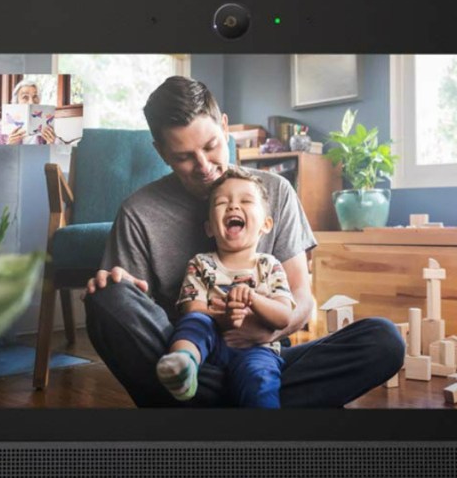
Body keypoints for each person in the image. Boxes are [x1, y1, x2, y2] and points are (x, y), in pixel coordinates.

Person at [83, 76, 404, 407]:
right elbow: (133, 316)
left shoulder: (275, 191)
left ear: (225, 127)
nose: (205, 167)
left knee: (383, 341)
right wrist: (115, 287)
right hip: (190, 353)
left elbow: (302, 300)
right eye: (184, 157)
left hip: (265, 359)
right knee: (106, 300)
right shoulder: (139, 212)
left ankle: (205, 407)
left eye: (210, 146)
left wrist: (266, 332)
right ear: (162, 152)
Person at [156, 168, 294, 408]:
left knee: (260, 379)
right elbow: (192, 308)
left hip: (257, 348)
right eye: (222, 202)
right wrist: (224, 316)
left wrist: (253, 300)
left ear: (266, 224)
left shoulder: (269, 266)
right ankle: (183, 365)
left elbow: (283, 317)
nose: (233, 207)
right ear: (209, 227)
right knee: (196, 323)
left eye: (246, 201)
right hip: (210, 344)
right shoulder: (201, 263)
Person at [0, 79, 57, 145]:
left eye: (35, 96)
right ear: (16, 102)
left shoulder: (46, 124)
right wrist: (10, 145)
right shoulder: (3, 125)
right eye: (25, 97)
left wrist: (50, 144)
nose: (31, 102)